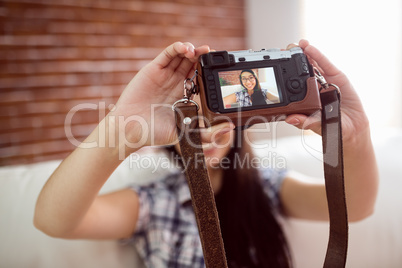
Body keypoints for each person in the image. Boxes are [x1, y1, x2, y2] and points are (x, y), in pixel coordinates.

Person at [34, 40, 379, 268]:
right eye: (191, 120)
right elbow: (53, 221)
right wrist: (121, 129)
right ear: (172, 134)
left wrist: (357, 137)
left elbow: (357, 207)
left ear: (238, 124)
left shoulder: (268, 187)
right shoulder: (158, 202)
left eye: (214, 116)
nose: (206, 132)